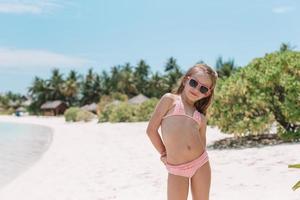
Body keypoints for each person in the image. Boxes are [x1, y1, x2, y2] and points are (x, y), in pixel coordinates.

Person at [146, 63, 218, 200]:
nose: (196, 89)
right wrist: (163, 154)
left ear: (207, 93)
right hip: (176, 168)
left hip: (201, 163)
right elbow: (151, 130)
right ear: (186, 80)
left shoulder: (200, 117)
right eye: (193, 83)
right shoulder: (170, 100)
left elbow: (202, 143)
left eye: (203, 88)